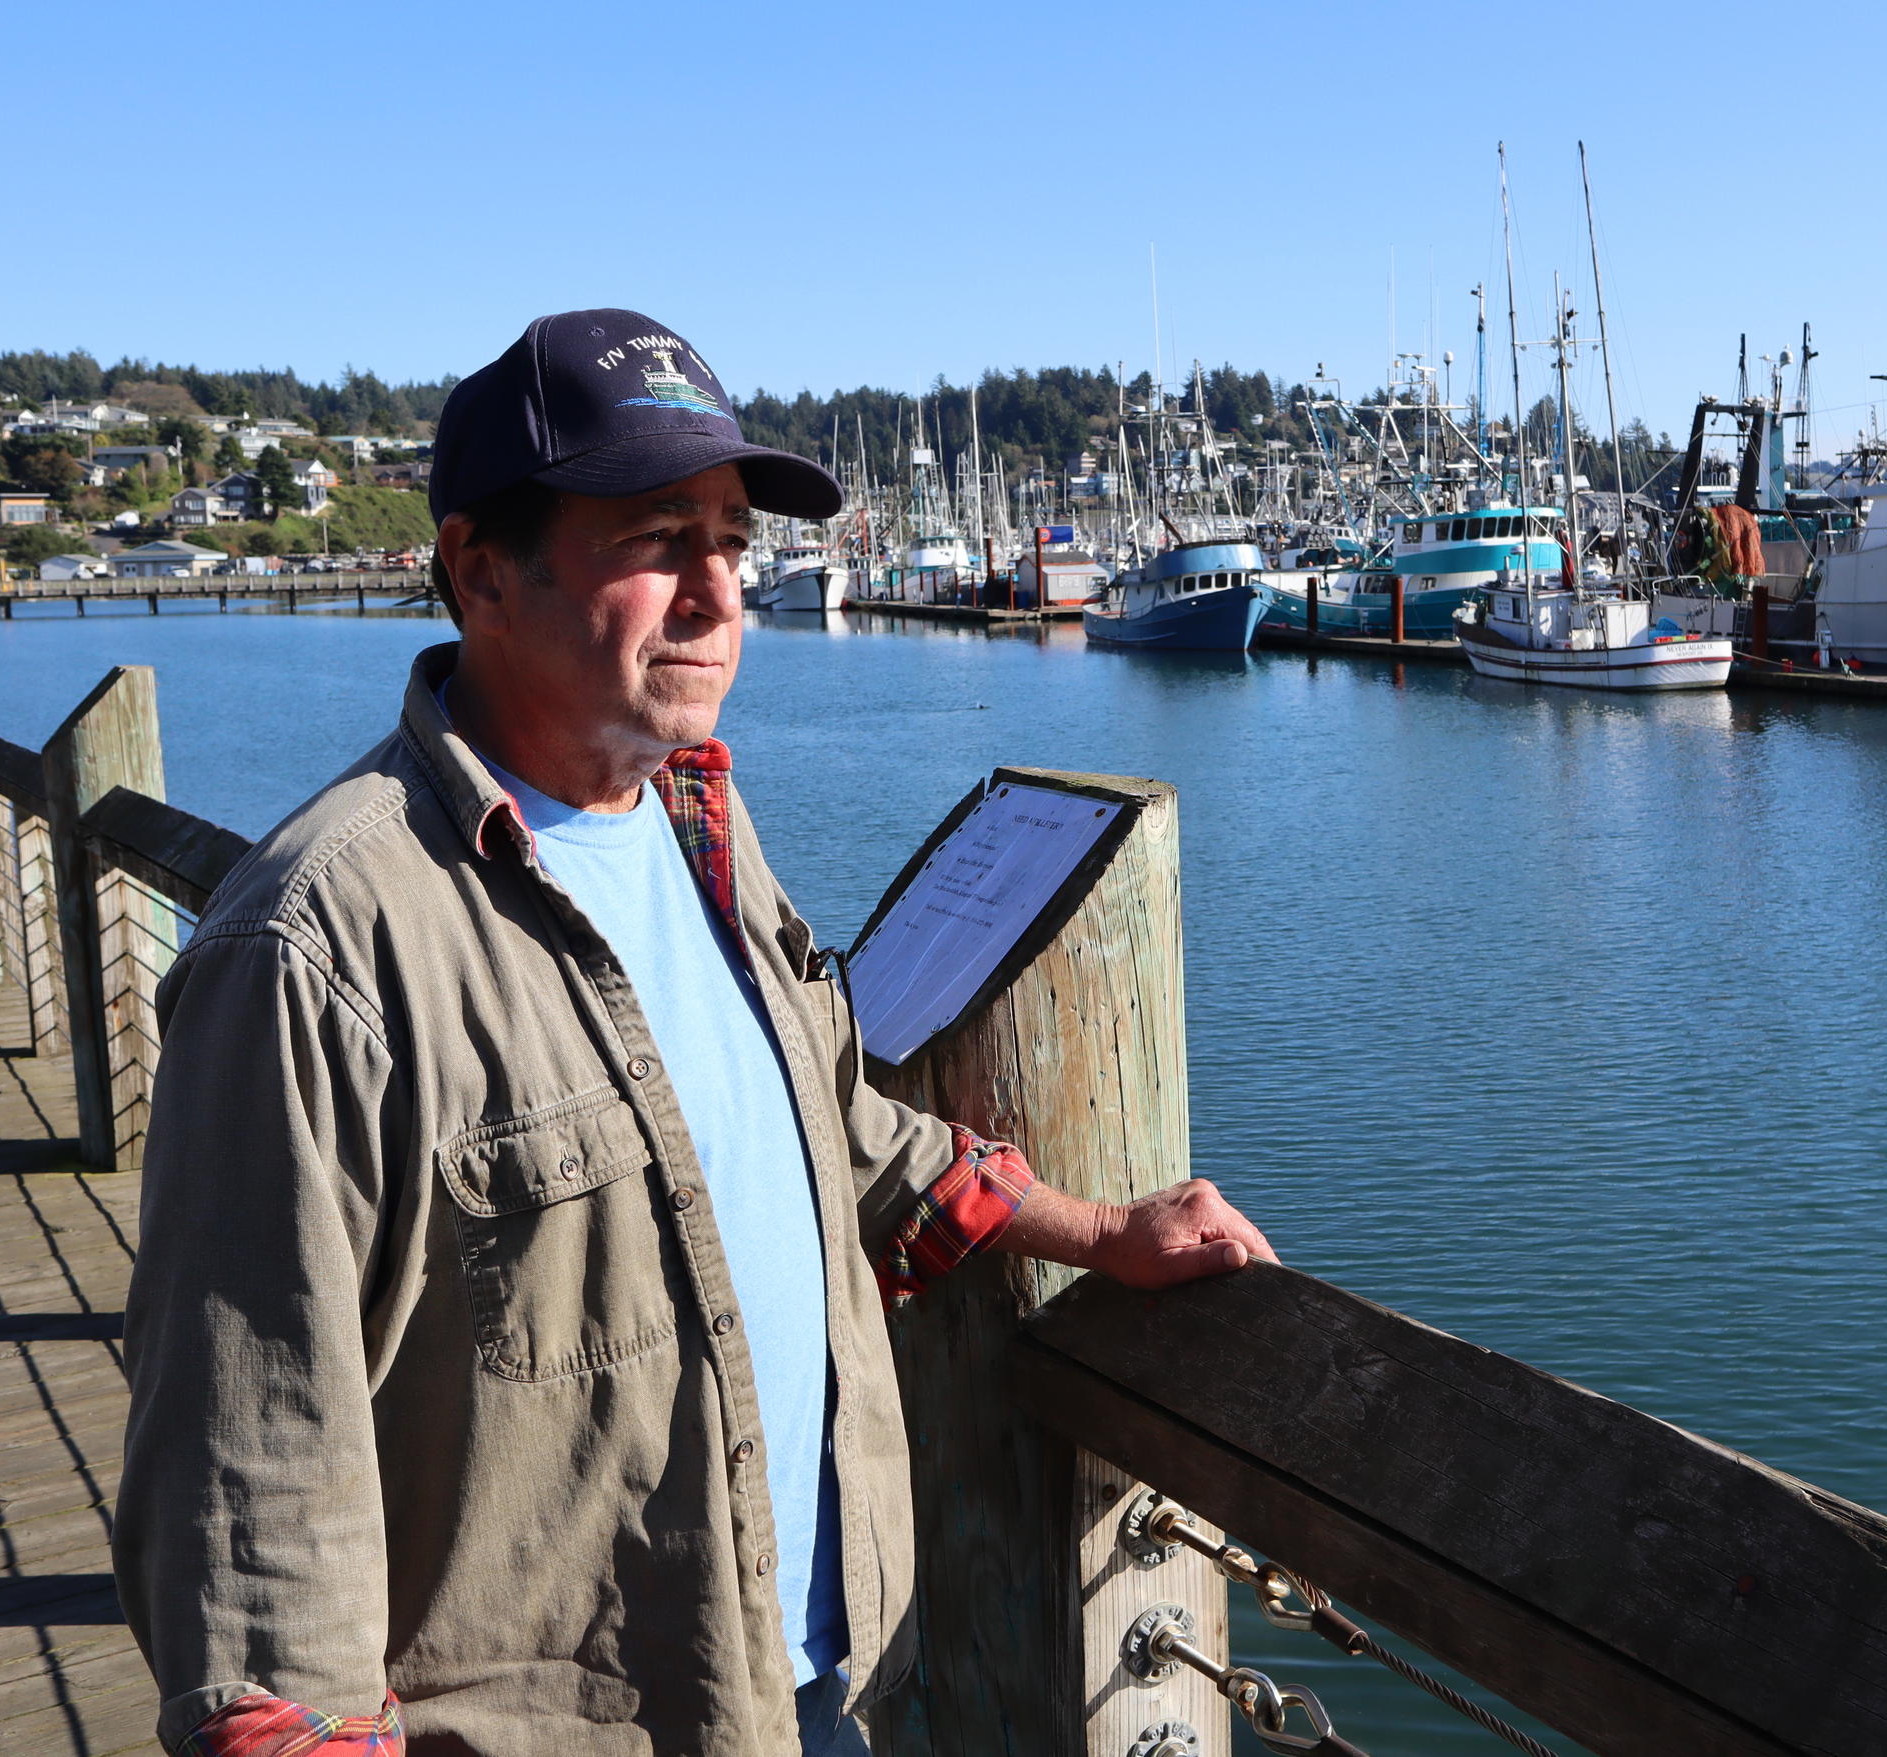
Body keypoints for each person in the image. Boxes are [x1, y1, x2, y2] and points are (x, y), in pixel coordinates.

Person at [113, 308, 1275, 1757]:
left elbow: (829, 1122)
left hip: (825, 1687)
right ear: (482, 570)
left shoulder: (693, 825)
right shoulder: (316, 950)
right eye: (660, 539)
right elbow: (252, 1499)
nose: (719, 593)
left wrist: (1098, 1227)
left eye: (731, 539)